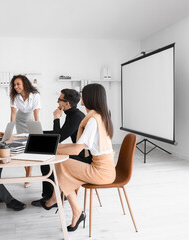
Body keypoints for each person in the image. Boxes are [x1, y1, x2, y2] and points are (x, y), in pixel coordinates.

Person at [42, 83, 116, 232]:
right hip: (105, 168)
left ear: (90, 97)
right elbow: (79, 146)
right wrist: (52, 149)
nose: (81, 97)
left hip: (101, 172)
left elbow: (76, 150)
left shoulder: (93, 120)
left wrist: (53, 150)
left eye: (83, 94)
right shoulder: (99, 116)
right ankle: (67, 206)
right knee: (61, 164)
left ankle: (65, 204)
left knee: (61, 164)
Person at [31, 89, 85, 207]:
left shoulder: (76, 117)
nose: (57, 102)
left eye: (59, 100)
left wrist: (56, 118)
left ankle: (51, 197)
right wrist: (39, 133)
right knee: (46, 159)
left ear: (67, 103)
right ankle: (50, 195)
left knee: (46, 161)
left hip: (82, 156)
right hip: (77, 151)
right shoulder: (73, 114)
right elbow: (59, 133)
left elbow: (58, 138)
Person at [10, 74, 41, 187]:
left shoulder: (35, 95)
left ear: (25, 84)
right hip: (19, 120)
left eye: (18, 84)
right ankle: (27, 173)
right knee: (23, 147)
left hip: (30, 120)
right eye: (14, 85)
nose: (16, 87)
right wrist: (10, 129)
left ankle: (29, 174)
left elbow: (36, 113)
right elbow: (13, 113)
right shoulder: (14, 96)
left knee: (31, 148)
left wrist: (37, 130)